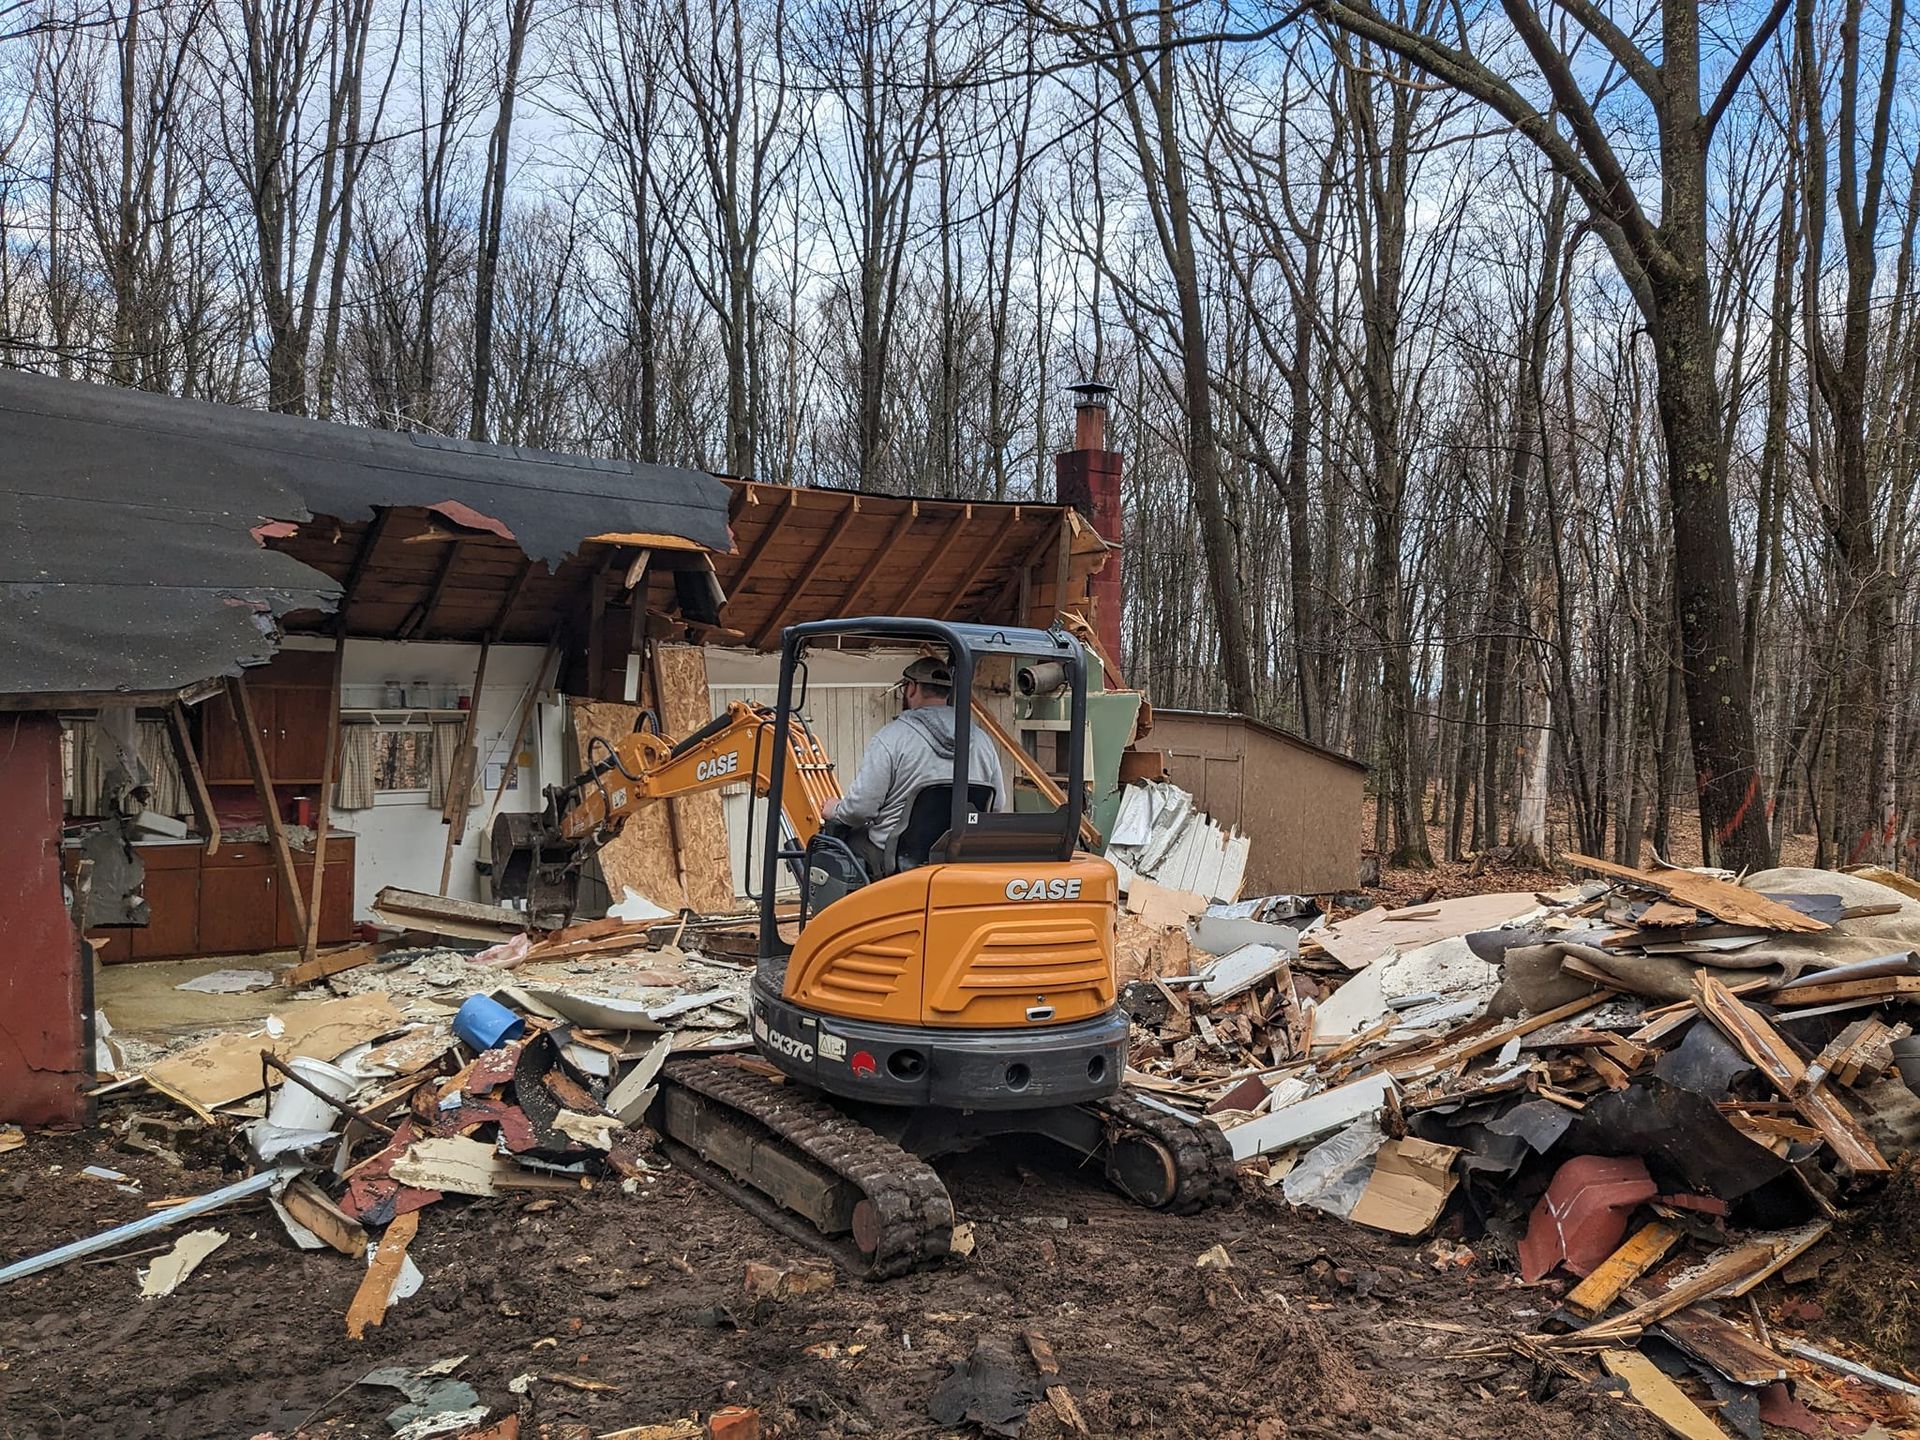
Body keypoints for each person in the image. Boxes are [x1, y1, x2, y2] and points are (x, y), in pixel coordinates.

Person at [822, 655, 1007, 875]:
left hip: (898, 861)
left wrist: (836, 810)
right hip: (957, 856)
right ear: (946, 692)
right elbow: (996, 804)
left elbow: (861, 810)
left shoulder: (891, 738)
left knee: (833, 844)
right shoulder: (981, 740)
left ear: (911, 688)